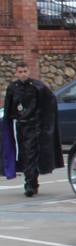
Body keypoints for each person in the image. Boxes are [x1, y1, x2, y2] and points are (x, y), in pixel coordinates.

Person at [2, 63, 61, 197]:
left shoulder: (37, 86)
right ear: (16, 73)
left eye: (25, 71)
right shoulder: (12, 88)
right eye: (20, 71)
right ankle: (32, 182)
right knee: (23, 154)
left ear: (28, 72)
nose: (23, 74)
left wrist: (41, 119)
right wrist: (9, 120)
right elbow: (8, 107)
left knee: (31, 154)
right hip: (19, 125)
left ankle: (29, 184)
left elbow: (50, 100)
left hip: (33, 126)